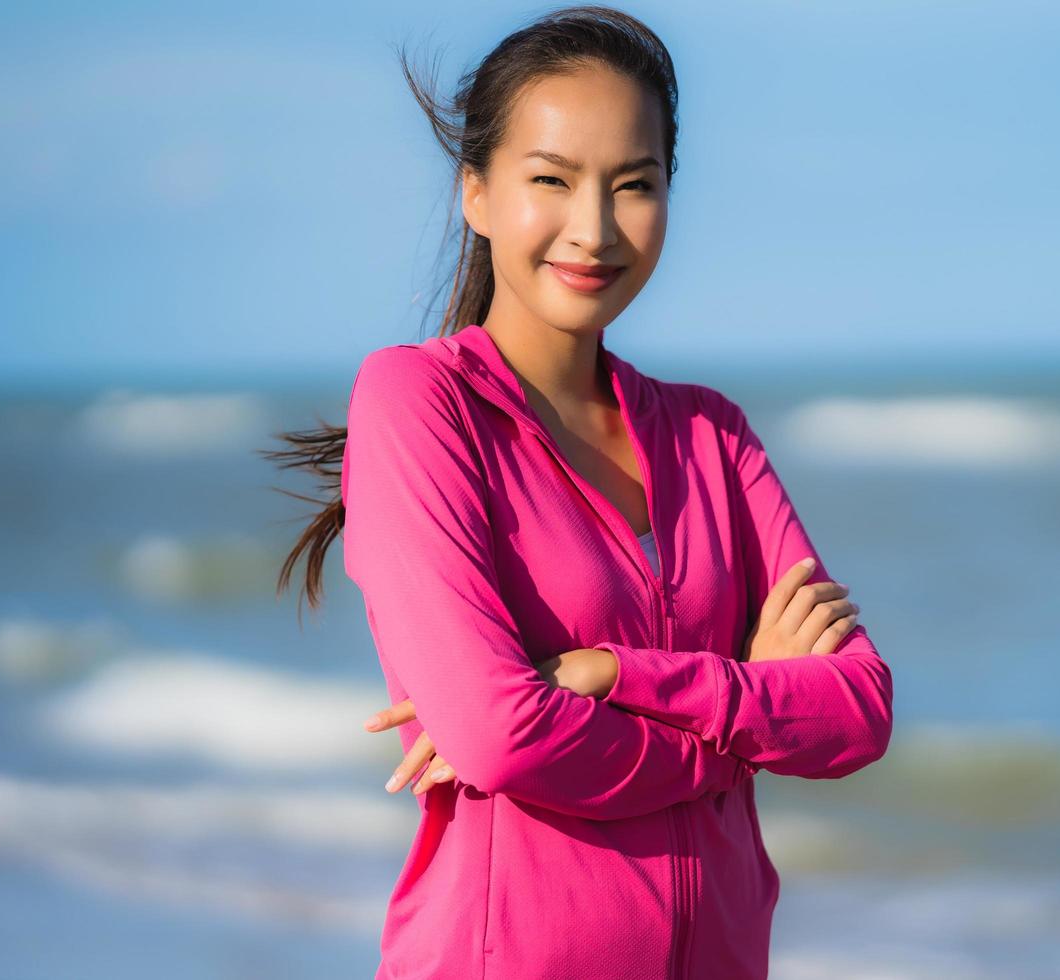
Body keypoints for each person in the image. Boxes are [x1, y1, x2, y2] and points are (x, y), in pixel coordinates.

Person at [267, 7, 893, 977]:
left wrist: (614, 675)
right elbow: (502, 734)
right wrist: (735, 737)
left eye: (634, 185)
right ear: (476, 192)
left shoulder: (710, 431)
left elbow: (856, 708)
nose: (594, 228)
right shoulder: (420, 401)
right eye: (551, 180)